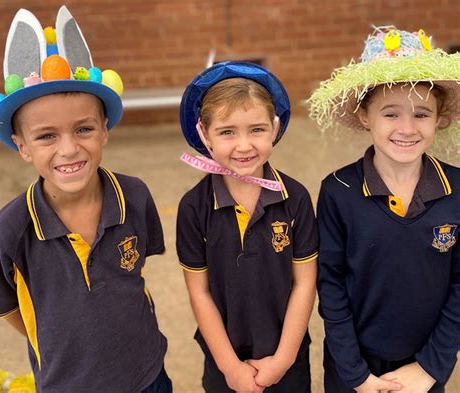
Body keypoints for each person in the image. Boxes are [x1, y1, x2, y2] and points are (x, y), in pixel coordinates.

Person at [0, 6, 171, 392]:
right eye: (46, 136)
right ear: (21, 147)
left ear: (105, 130)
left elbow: (135, 274)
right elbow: (6, 308)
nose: (69, 149)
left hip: (148, 376)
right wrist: (57, 336)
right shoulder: (8, 232)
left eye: (84, 129)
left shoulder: (134, 195)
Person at [309, 26, 460, 393]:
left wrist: (431, 368)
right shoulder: (337, 191)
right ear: (364, 116)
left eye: (421, 114)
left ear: (439, 117)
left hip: (424, 367)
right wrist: (355, 374)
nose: (407, 128)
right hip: (354, 369)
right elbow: (330, 286)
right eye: (390, 114)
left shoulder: (458, 188)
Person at [176, 61, 318, 392]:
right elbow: (200, 292)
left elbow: (304, 284)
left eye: (257, 129)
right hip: (224, 361)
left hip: (289, 357)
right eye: (227, 132)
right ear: (203, 134)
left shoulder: (294, 198)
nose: (244, 146)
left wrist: (282, 360)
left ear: (275, 127)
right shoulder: (193, 208)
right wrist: (231, 368)